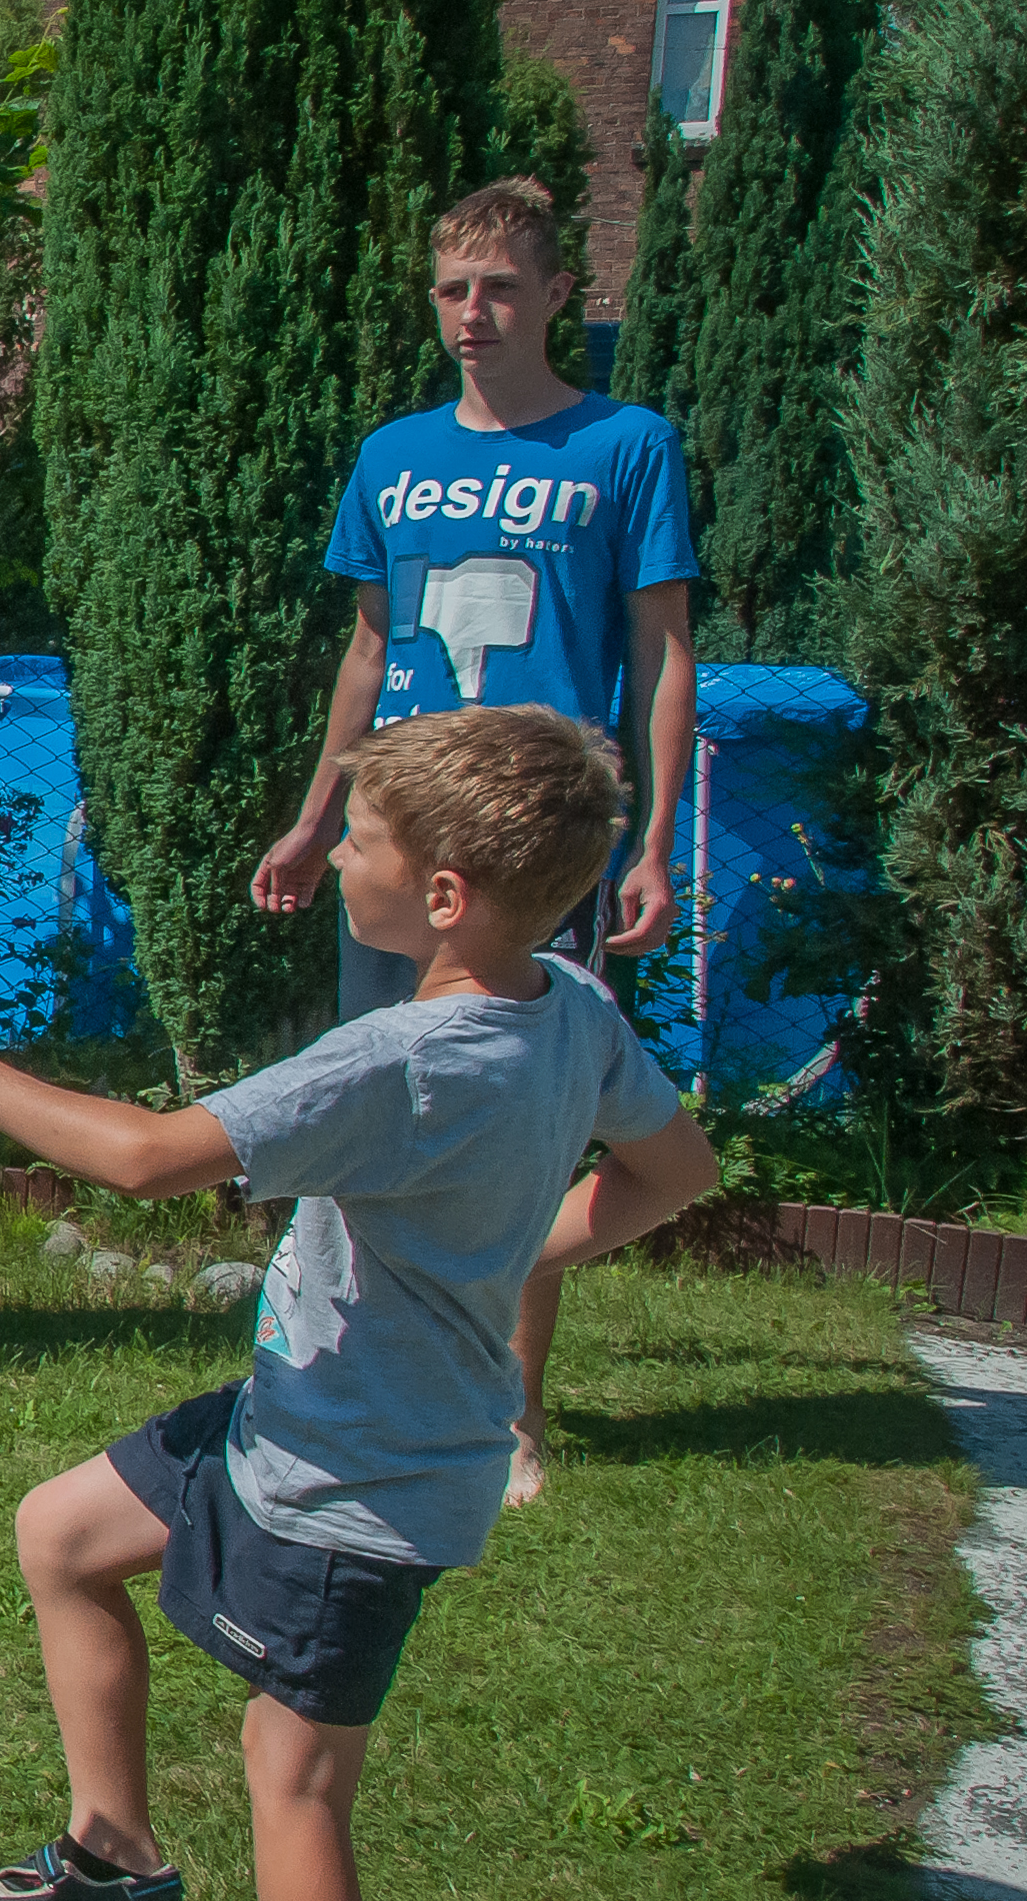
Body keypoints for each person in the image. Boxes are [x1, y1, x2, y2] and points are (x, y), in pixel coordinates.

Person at [0, 707, 720, 1901]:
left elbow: (151, 1156)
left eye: (361, 838)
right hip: (294, 1412)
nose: (337, 852)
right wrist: (514, 1253)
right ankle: (113, 1854)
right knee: (63, 1533)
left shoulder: (401, 1059)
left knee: (294, 1778)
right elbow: (678, 1171)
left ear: (449, 891)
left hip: (359, 1483)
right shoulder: (573, 1014)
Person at [249, 177, 701, 1506]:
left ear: (562, 294)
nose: (471, 312)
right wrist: (315, 811)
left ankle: (508, 1414)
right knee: (364, 1097)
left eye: (500, 286)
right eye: (452, 288)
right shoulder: (393, 455)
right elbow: (370, 648)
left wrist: (655, 840)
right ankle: (329, 1372)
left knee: (520, 1119)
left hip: (534, 833)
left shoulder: (626, 445)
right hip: (399, 828)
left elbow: (661, 650)